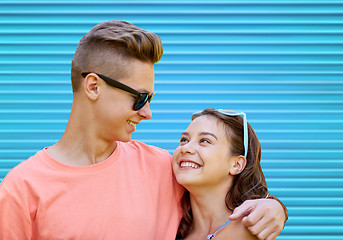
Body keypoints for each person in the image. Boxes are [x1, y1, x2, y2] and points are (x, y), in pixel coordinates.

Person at [0, 20, 287, 240]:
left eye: (150, 100)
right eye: (140, 98)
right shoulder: (21, 190)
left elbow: (223, 192)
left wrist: (275, 208)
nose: (147, 113)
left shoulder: (164, 168)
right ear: (93, 86)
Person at [173, 108, 280, 240]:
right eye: (184, 140)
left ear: (236, 165)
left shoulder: (250, 230)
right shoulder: (172, 229)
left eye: (204, 141)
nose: (185, 148)